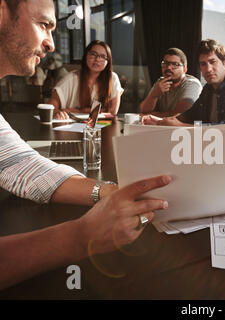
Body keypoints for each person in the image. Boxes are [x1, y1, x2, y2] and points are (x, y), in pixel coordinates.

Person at [0, 0, 170, 289]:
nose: (51, 43)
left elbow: (21, 165)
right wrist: (81, 237)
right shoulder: (73, 78)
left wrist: (112, 192)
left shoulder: (111, 80)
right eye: (43, 24)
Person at [142, 39, 225, 126]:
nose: (208, 69)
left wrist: (182, 126)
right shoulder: (208, 88)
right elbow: (189, 116)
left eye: (212, 62)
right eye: (203, 64)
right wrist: (160, 121)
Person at [50, 40, 123, 119]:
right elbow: (51, 106)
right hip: (72, 126)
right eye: (93, 54)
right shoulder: (71, 78)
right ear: (86, 56)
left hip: (103, 126)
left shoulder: (113, 78)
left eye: (102, 56)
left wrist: (80, 111)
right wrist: (58, 112)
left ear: (108, 61)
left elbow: (113, 112)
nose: (97, 59)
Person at [140, 47, 202, 117]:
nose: (168, 67)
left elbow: (180, 115)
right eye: (165, 63)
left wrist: (151, 115)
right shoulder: (160, 82)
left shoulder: (192, 84)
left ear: (184, 69)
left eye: (175, 64)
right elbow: (143, 110)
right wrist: (154, 95)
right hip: (161, 126)